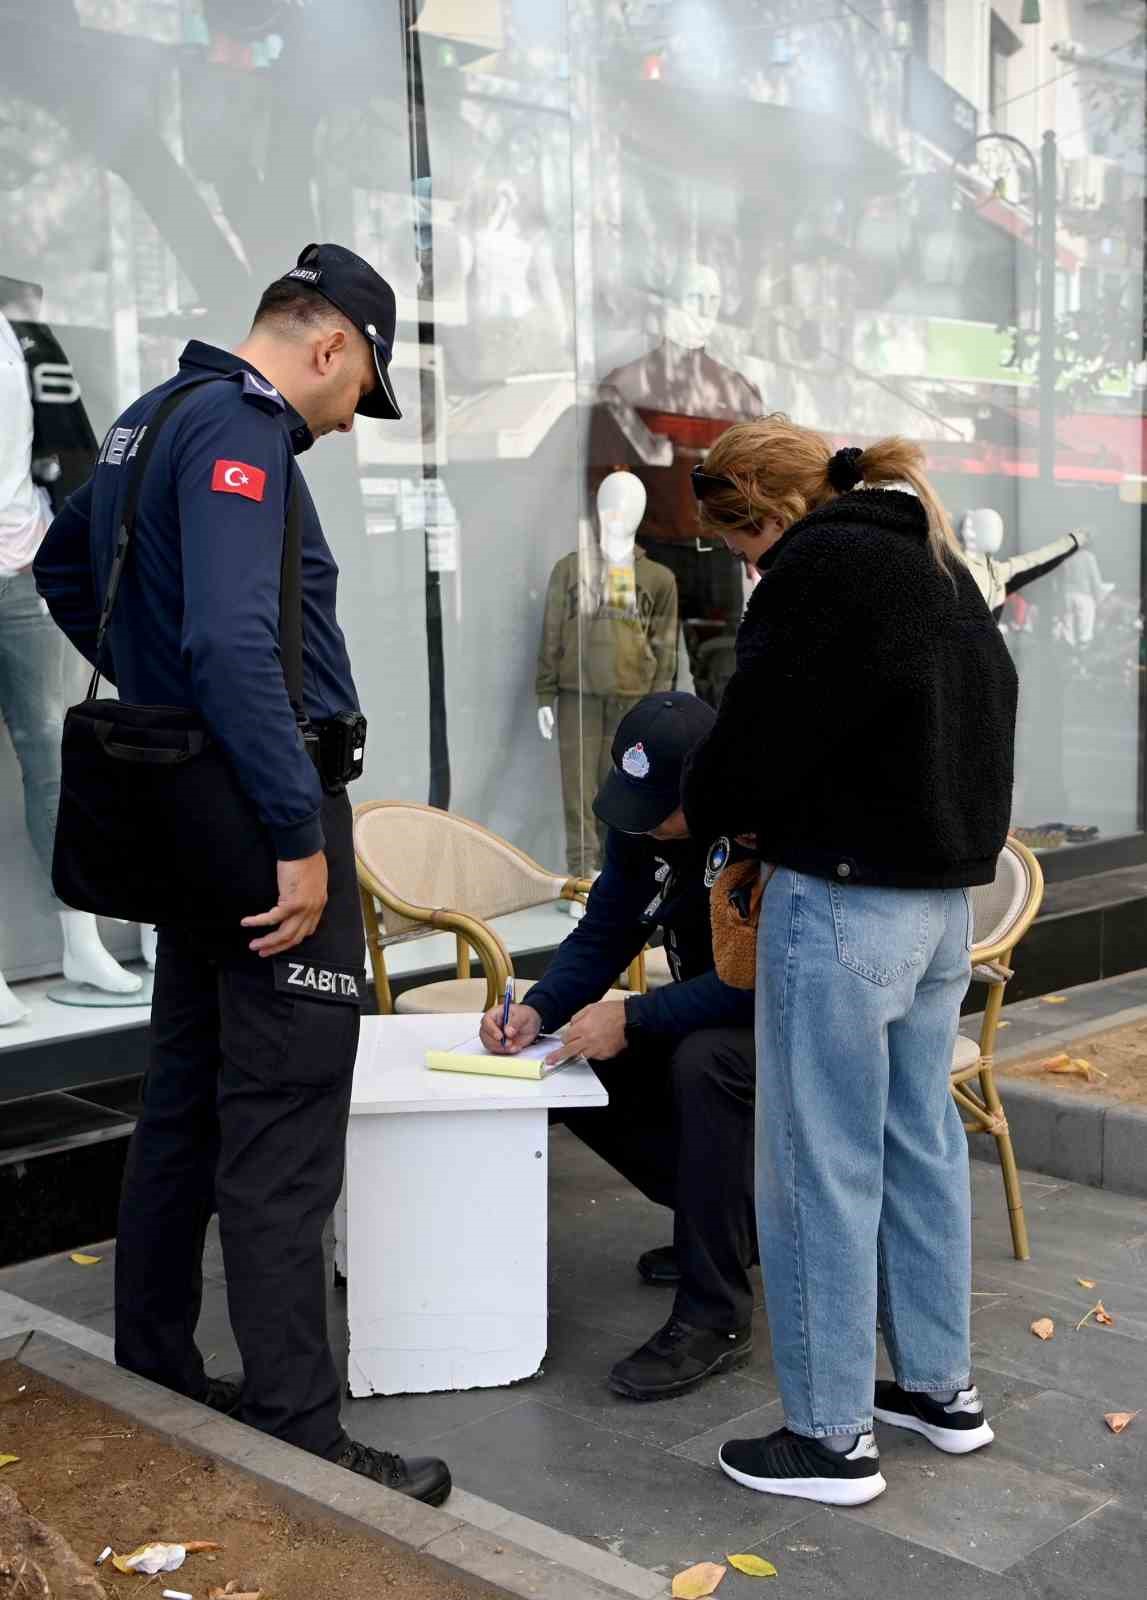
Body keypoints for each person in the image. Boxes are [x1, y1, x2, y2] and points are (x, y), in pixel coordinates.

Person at [33, 244, 451, 1507]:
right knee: (280, 1116)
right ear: (328, 345)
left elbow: (63, 570)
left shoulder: (149, 414)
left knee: (189, 1091)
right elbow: (229, 635)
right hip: (259, 807)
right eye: (359, 389)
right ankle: (296, 1425)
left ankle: (157, 1358)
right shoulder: (245, 426)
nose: (347, 419)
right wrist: (295, 828)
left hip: (189, 805)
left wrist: (154, 685)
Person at [682, 419, 1017, 1506]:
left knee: (816, 1161)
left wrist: (721, 818)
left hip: (840, 902)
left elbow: (750, 738)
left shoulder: (817, 567)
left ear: (770, 514)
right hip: (936, 908)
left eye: (740, 542)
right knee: (918, 1142)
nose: (745, 564)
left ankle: (829, 1438)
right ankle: (937, 1388)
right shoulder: (932, 553)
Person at [480, 692, 758, 1400]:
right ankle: (734, 1229)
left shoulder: (764, 830)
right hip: (707, 1004)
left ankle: (712, 1317)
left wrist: (633, 1016)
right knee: (571, 1060)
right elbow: (606, 929)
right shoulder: (643, 825)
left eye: (659, 806)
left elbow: (758, 984)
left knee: (705, 1065)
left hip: (789, 1020)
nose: (645, 825)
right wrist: (538, 1009)